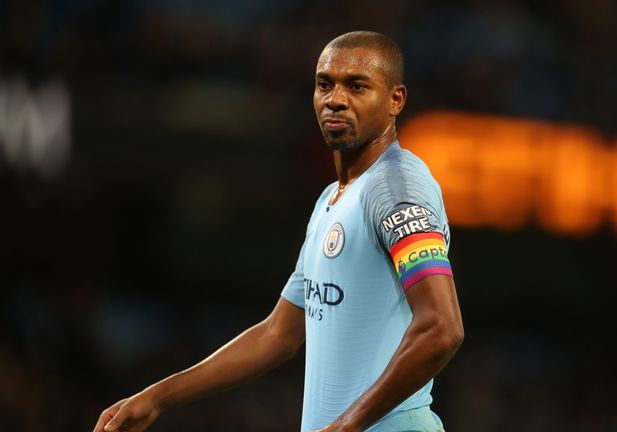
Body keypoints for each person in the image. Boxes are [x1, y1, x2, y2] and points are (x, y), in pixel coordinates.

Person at [93, 30, 464, 432]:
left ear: (396, 100)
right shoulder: (331, 199)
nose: (335, 99)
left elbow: (442, 328)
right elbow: (278, 333)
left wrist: (345, 427)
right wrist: (156, 397)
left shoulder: (396, 188)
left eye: (357, 86)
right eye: (325, 84)